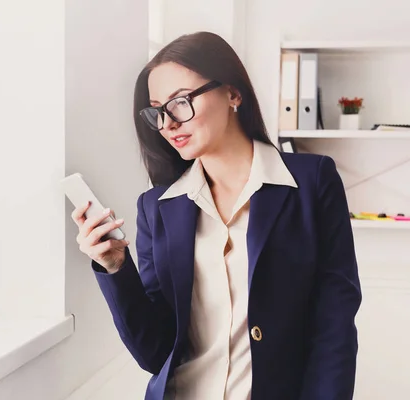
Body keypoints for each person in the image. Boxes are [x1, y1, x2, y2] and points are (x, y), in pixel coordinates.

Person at [70, 31, 362, 400]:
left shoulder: (312, 182)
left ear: (233, 93)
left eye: (179, 102)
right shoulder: (156, 207)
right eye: (157, 110)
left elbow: (334, 324)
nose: (168, 124)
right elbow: (155, 351)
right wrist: (115, 267)